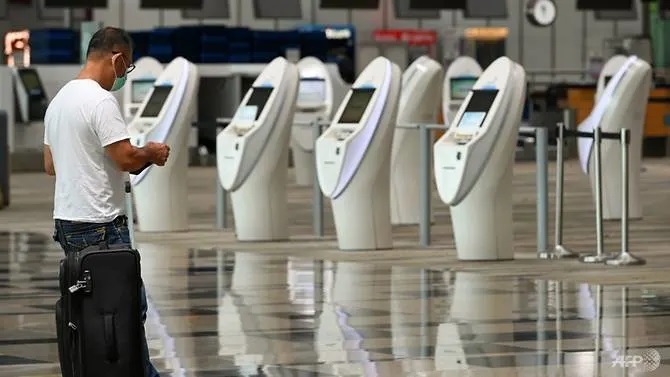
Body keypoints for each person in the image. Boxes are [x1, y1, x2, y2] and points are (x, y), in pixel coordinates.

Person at [43, 26, 168, 377]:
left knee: (89, 315)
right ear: (117, 58)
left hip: (67, 223)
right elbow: (126, 158)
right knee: (125, 313)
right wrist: (152, 153)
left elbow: (49, 165)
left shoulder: (59, 102)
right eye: (125, 69)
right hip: (100, 225)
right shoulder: (100, 100)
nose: (122, 76)